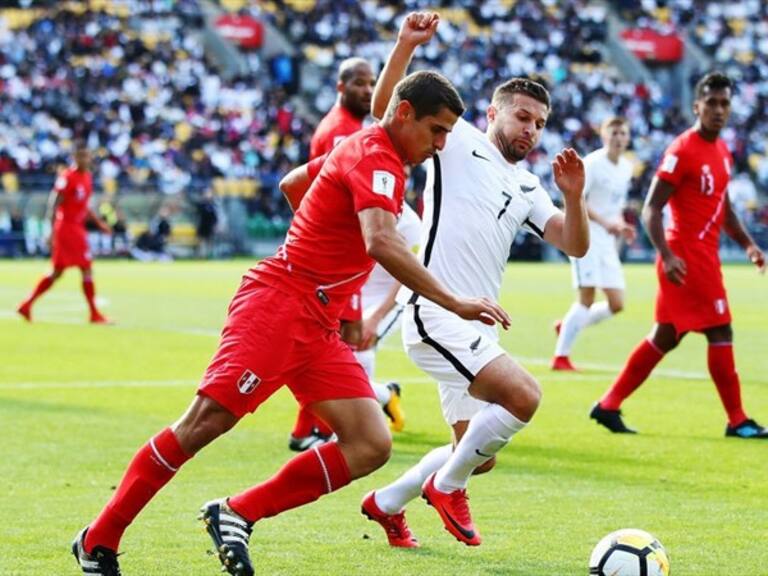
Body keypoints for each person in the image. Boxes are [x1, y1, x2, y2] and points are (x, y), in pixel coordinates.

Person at [72, 69, 511, 576]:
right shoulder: (375, 155)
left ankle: (236, 512)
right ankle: (98, 539)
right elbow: (381, 242)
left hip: (317, 320)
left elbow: (295, 183)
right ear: (405, 112)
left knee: (370, 443)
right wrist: (453, 301)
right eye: (437, 130)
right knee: (204, 423)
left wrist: (322, 247)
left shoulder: (372, 150)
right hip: (279, 306)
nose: (439, 145)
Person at [360, 12, 589, 549]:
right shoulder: (457, 140)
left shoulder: (530, 185)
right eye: (521, 117)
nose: (530, 130)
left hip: (473, 325)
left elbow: (574, 244)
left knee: (476, 452)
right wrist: (404, 46)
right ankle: (447, 486)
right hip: (436, 311)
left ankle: (387, 503)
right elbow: (386, 109)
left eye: (539, 123)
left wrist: (575, 196)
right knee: (523, 397)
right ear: (493, 114)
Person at [589, 72, 767, 439]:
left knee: (665, 336)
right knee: (721, 329)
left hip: (702, 257)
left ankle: (608, 405)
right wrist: (668, 256)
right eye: (712, 103)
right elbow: (651, 209)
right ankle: (737, 420)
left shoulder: (722, 150)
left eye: (724, 104)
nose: (718, 110)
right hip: (686, 259)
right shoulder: (682, 150)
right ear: (696, 105)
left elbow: (724, 206)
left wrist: (748, 244)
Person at [290, 56, 404, 449]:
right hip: (336, 259)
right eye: (359, 82)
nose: (367, 89)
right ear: (340, 87)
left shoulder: (349, 128)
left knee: (338, 336)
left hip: (336, 254)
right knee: (344, 335)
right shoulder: (341, 134)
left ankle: (316, 426)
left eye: (371, 82)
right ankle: (331, 422)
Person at [552, 117, 637, 371]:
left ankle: (569, 324)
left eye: (623, 133)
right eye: (614, 133)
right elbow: (575, 200)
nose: (619, 138)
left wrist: (619, 224)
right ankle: (561, 357)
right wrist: (605, 222)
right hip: (585, 235)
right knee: (586, 297)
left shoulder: (626, 167)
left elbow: (616, 205)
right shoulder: (592, 164)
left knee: (617, 303)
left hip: (607, 239)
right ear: (603, 135)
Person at [16, 143, 112, 324]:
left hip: (77, 228)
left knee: (57, 271)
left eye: (87, 156)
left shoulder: (88, 178)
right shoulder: (67, 177)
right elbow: (54, 203)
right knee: (85, 267)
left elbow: (85, 207)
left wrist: (100, 224)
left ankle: (26, 305)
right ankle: (94, 314)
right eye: (80, 156)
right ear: (74, 157)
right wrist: (50, 231)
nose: (84, 159)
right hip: (66, 228)